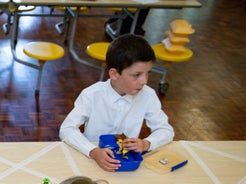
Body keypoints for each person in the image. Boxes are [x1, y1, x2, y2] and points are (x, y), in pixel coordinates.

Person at [59, 34, 174, 172]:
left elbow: (166, 130)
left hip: (127, 164)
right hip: (91, 160)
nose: (144, 81)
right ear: (114, 74)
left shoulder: (148, 95)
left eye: (147, 73)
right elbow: (66, 129)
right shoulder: (92, 94)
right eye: (136, 75)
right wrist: (93, 151)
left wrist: (146, 143)